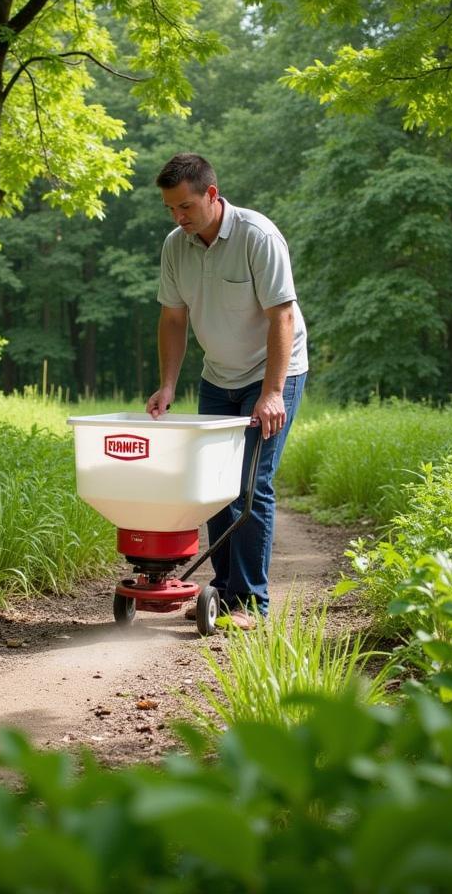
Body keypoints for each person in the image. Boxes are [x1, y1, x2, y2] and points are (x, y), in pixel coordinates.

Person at [145, 153, 308, 630]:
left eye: (186, 207)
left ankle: (253, 603)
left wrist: (273, 392)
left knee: (250, 485)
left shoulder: (258, 236)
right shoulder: (177, 246)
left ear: (212, 196)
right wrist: (168, 383)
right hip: (218, 376)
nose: (178, 217)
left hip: (272, 373)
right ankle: (227, 592)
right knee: (215, 488)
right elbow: (173, 318)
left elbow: (283, 315)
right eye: (170, 208)